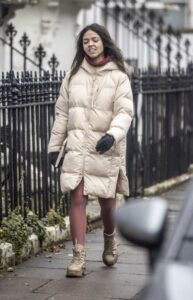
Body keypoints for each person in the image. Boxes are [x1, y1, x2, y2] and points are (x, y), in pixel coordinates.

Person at [48, 23, 134, 277]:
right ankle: (78, 256)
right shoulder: (73, 75)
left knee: (107, 202)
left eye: (94, 39)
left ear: (103, 42)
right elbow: (63, 111)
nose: (91, 44)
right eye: (86, 41)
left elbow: (125, 111)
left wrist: (113, 134)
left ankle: (109, 239)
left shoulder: (118, 76)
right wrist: (55, 146)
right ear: (82, 46)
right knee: (77, 197)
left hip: (104, 149)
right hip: (76, 148)